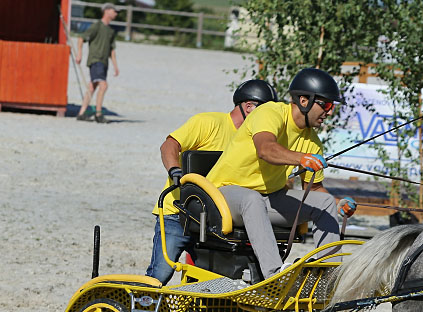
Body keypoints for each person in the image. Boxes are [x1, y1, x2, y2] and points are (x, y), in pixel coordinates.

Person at [207, 68, 357, 279]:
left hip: (267, 199)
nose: (330, 112)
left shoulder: (312, 141)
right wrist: (301, 158)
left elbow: (313, 189)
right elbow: (266, 149)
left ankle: (329, 275)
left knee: (325, 203)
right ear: (304, 100)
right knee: (252, 198)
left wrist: (339, 203)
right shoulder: (270, 112)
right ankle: (275, 275)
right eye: (326, 105)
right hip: (223, 195)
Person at [146, 80, 278, 284]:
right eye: (267, 112)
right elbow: (169, 145)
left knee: (213, 280)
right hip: (178, 214)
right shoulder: (208, 123)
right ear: (249, 107)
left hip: (215, 222)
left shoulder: (257, 140)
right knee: (160, 274)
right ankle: (141, 310)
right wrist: (175, 171)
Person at [75, 3, 119, 123]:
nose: (116, 14)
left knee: (92, 86)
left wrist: (115, 66)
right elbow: (81, 38)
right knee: (103, 85)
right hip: (95, 60)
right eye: (114, 11)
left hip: (104, 62)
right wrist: (79, 54)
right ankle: (98, 114)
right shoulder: (97, 26)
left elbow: (112, 50)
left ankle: (82, 113)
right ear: (107, 11)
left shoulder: (110, 31)